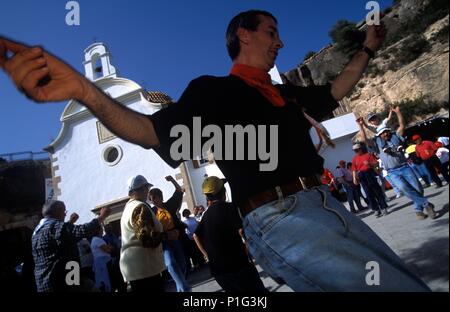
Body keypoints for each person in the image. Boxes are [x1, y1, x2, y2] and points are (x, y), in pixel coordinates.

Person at [0, 10, 430, 291]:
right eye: (271, 32)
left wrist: (369, 48)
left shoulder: (283, 94)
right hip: (282, 216)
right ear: (243, 34)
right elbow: (151, 131)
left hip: (323, 202)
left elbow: (337, 88)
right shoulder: (213, 91)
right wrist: (84, 90)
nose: (279, 41)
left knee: (402, 280)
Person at [193, 176, 267, 292]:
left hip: (219, 272)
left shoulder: (206, 215)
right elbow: (241, 231)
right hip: (239, 266)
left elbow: (195, 235)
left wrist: (206, 254)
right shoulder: (230, 207)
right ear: (223, 192)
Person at [358, 112, 437, 220]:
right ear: (379, 135)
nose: (385, 134)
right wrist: (361, 126)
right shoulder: (377, 144)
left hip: (404, 167)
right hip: (392, 172)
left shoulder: (396, 137)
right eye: (382, 133)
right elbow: (364, 139)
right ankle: (426, 204)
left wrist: (399, 113)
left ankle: (418, 209)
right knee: (404, 188)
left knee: (418, 188)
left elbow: (402, 125)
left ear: (388, 131)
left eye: (386, 132)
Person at [31, 200, 110, 292]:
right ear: (58, 211)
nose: (65, 215)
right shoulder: (54, 227)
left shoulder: (38, 231)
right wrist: (101, 217)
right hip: (63, 282)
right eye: (64, 212)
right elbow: (83, 231)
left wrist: (70, 223)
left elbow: (62, 237)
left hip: (46, 282)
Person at [120, 175, 168, 292]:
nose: (148, 192)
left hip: (137, 269)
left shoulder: (129, 207)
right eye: (147, 188)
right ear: (142, 189)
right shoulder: (139, 207)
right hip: (144, 269)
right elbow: (147, 239)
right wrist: (167, 235)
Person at [148, 176, 192, 292]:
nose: (152, 201)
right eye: (150, 199)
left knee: (182, 264)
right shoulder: (152, 212)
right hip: (163, 241)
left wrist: (172, 180)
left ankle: (181, 287)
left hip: (175, 238)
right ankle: (185, 288)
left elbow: (179, 191)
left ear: (160, 197)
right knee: (170, 263)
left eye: (153, 198)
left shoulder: (169, 206)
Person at [351, 143, 388, 217]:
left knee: (377, 191)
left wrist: (370, 164)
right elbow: (354, 170)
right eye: (355, 150)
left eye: (357, 150)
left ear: (360, 149)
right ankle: (376, 209)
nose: (356, 151)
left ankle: (383, 207)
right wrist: (354, 178)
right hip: (362, 176)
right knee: (368, 194)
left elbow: (376, 164)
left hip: (370, 173)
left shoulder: (368, 155)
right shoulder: (355, 159)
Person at [90, 227, 112, 292]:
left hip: (101, 263)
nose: (102, 231)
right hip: (102, 263)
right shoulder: (97, 239)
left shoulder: (96, 239)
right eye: (101, 230)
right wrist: (110, 248)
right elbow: (107, 250)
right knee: (105, 281)